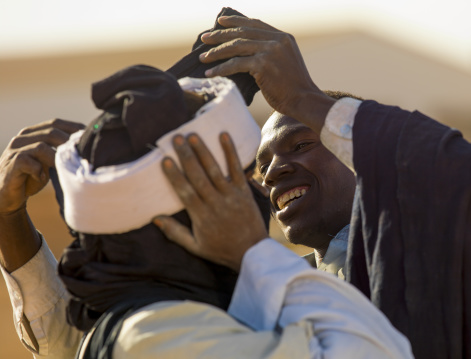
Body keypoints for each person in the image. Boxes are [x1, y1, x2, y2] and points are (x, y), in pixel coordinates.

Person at [0, 64, 412, 358]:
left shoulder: (438, 263)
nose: (268, 176)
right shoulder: (170, 326)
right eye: (253, 168)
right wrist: (253, 251)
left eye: (302, 145)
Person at [188, 13, 471, 359]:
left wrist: (303, 97)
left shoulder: (443, 250)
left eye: (300, 146)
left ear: (361, 159)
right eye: (262, 167)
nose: (272, 173)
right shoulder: (274, 298)